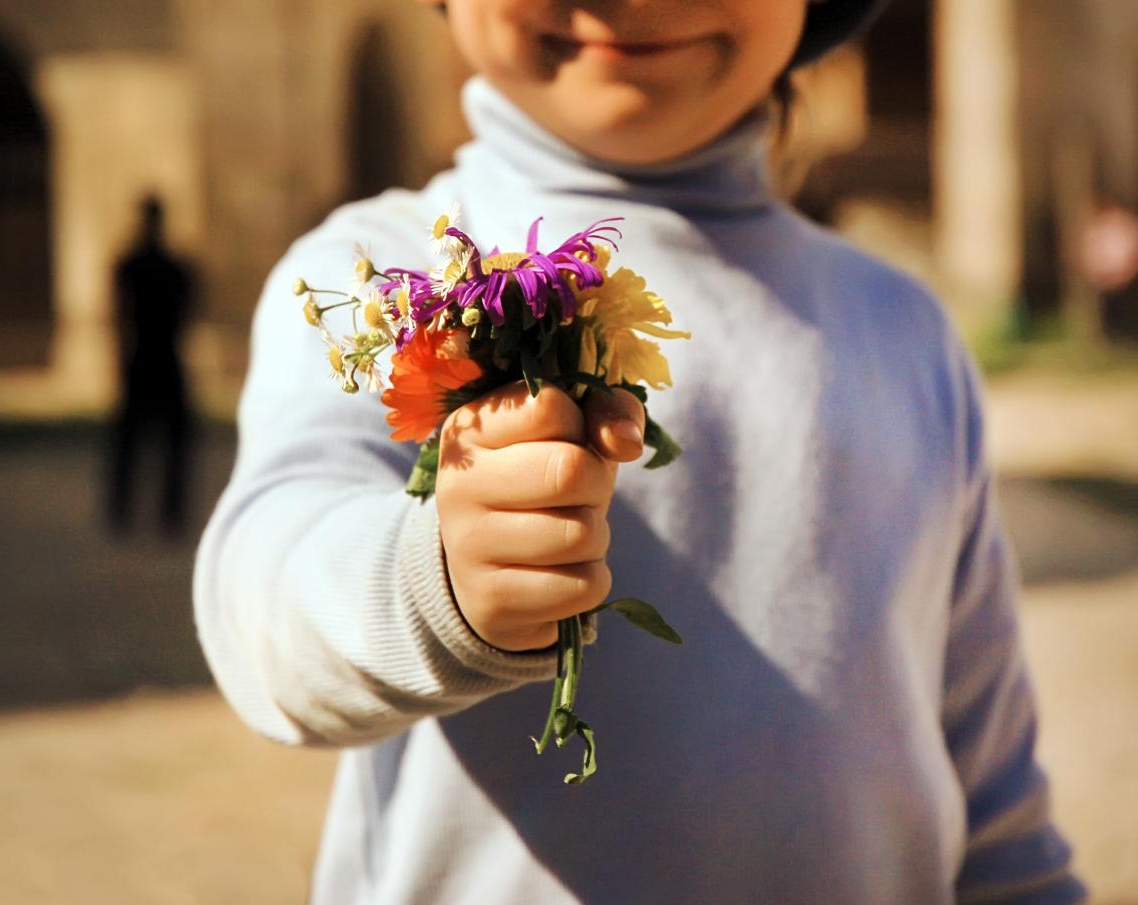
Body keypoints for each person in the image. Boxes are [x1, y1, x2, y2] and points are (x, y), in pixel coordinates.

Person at [195, 1, 1087, 902]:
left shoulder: (907, 335)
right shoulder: (375, 279)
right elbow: (268, 598)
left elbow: (998, 820)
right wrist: (433, 583)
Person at [109, 195, 195, 537]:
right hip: (160, 358)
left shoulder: (132, 266)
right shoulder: (172, 268)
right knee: (160, 442)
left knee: (136, 442)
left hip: (145, 358)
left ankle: (127, 510)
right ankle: (164, 513)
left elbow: (119, 317)